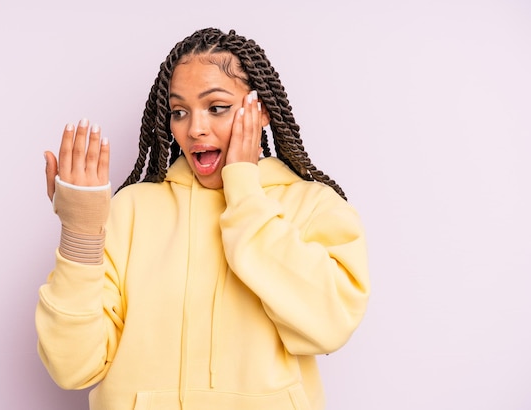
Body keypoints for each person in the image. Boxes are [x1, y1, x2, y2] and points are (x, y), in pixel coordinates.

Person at [36, 27, 369, 410]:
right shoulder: (130, 211)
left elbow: (329, 327)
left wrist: (244, 190)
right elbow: (72, 367)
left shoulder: (313, 206)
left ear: (258, 110)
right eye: (179, 112)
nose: (194, 129)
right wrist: (81, 232)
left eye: (217, 108)